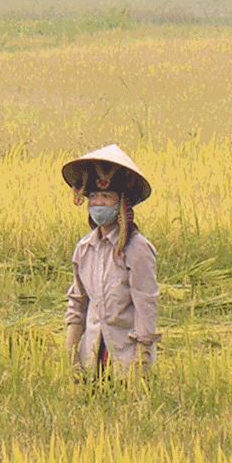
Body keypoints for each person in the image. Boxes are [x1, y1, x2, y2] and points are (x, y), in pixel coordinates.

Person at [62, 144, 160, 375]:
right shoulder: (85, 249)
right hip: (92, 355)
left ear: (120, 203)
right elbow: (78, 302)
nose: (98, 203)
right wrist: (71, 355)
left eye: (106, 197)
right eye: (94, 197)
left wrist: (142, 359)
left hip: (125, 356)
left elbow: (145, 304)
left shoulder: (137, 249)